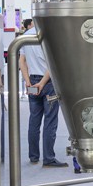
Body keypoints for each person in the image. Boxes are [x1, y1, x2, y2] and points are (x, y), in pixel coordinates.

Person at [20, 24, 67, 168]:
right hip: (48, 82)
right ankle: (48, 158)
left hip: (32, 80)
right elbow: (52, 64)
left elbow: (22, 61)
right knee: (50, 121)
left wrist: (28, 81)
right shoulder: (50, 33)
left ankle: (33, 156)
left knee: (34, 120)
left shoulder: (26, 35)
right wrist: (42, 83)